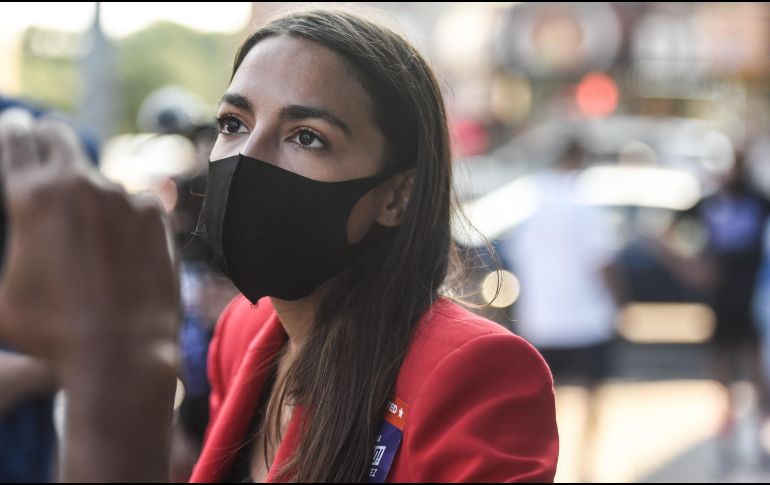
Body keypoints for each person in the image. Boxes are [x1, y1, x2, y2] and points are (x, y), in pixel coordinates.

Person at [0, 8, 558, 483]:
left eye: (306, 137)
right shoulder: (241, 335)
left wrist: (118, 374)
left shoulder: (477, 373)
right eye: (233, 123)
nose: (247, 157)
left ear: (396, 196)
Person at [501, 140, 623, 481]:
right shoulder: (587, 199)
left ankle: (542, 467)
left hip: (541, 320)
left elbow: (515, 256)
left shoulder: (530, 199)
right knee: (592, 400)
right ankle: (585, 468)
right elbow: (603, 261)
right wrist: (620, 302)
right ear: (578, 157)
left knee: (539, 403)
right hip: (589, 319)